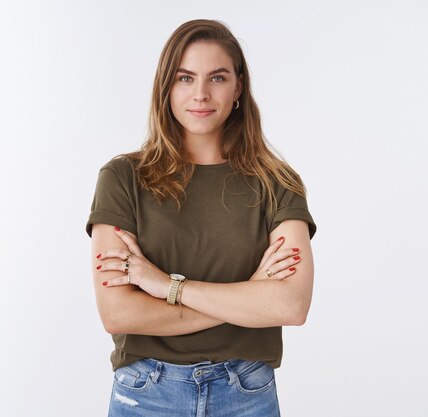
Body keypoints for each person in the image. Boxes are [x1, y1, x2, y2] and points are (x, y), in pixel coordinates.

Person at [86, 19, 316, 417]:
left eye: (218, 78)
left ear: (239, 87)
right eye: (185, 78)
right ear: (167, 87)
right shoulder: (122, 178)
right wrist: (249, 294)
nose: (202, 94)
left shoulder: (277, 182)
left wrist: (166, 287)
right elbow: (118, 313)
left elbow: (291, 305)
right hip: (146, 392)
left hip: (246, 392)